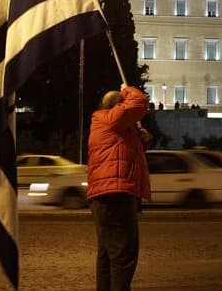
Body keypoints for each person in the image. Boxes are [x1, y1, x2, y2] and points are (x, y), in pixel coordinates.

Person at [87, 84, 151, 291]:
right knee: (123, 257)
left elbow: (126, 153)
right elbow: (140, 102)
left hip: (105, 196)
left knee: (108, 255)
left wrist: (142, 141)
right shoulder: (111, 118)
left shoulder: (107, 124)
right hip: (116, 195)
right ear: (118, 106)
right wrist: (127, 90)